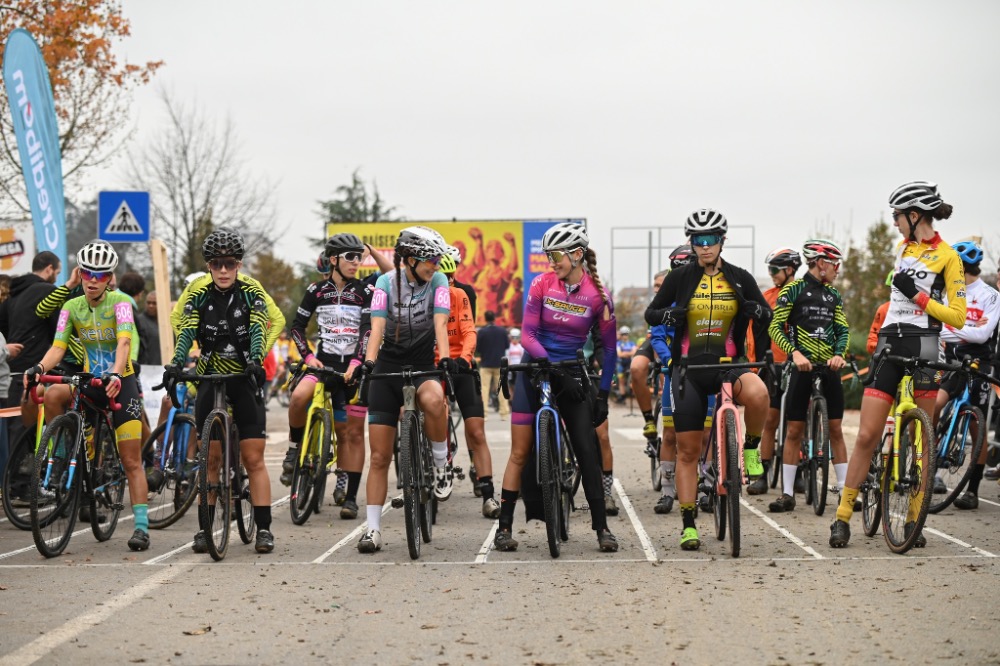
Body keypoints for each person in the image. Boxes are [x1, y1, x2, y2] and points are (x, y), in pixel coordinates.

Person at [830, 181, 965, 548]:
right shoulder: (902, 249)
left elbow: (958, 316)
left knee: (922, 440)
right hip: (890, 343)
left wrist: (918, 295)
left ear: (914, 215)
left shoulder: (949, 257)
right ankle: (842, 516)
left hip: (924, 344)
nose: (893, 223)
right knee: (868, 434)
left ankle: (911, 516)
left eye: (897, 216)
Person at [644, 209, 772, 550]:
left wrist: (758, 316)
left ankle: (751, 449)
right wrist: (670, 314)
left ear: (722, 241)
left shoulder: (740, 277)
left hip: (729, 365)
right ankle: (688, 524)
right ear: (692, 243)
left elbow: (767, 315)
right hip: (689, 370)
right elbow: (651, 313)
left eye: (710, 240)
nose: (704, 247)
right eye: (697, 241)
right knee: (688, 450)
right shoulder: (681, 278)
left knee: (759, 394)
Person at [493, 222, 620, 553]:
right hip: (535, 370)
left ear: (577, 255)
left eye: (557, 256)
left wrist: (603, 395)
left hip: (572, 375)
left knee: (586, 450)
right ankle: (504, 527)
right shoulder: (541, 284)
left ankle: (601, 528)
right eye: (548, 255)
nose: (551, 262)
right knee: (519, 452)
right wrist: (549, 365)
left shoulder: (599, 297)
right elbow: (529, 335)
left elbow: (608, 350)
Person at [165, 228, 285, 555]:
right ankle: (206, 526)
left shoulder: (251, 291)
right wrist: (176, 364)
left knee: (253, 457)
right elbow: (186, 328)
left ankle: (263, 528)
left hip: (244, 376)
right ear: (208, 265)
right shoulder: (197, 292)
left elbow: (262, 325)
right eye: (216, 263)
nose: (222, 270)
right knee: (211, 459)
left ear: (239, 265)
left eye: (229, 264)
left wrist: (256, 359)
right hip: (209, 376)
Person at [25, 241, 151, 551]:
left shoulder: (121, 303)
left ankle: (141, 527)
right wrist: (39, 366)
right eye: (87, 273)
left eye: (101, 274)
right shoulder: (71, 307)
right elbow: (59, 347)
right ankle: (75, 467)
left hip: (121, 382)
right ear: (80, 274)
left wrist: (116, 374)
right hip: (90, 382)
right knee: (62, 407)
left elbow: (124, 343)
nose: (93, 280)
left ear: (110, 278)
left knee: (131, 460)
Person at [356, 226, 453, 553]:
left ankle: (441, 464)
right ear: (410, 260)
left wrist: (447, 359)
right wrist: (368, 364)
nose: (436, 264)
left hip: (423, 364)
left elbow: (440, 323)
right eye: (430, 259)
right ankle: (372, 530)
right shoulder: (385, 283)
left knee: (434, 399)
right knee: (380, 455)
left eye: (439, 258)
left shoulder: (438, 282)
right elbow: (377, 327)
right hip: (388, 367)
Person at [280, 233, 373, 521]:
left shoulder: (365, 292)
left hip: (352, 369)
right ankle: (295, 450)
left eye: (359, 257)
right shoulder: (316, 291)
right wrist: (308, 357)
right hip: (323, 364)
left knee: (350, 433)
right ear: (333, 259)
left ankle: (350, 495)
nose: (356, 263)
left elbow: (368, 330)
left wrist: (357, 362)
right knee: (297, 397)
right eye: (350, 257)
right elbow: (296, 327)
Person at [766, 240, 851, 512]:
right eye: (835, 264)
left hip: (829, 367)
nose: (837, 269)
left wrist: (839, 354)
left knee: (836, 430)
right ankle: (788, 493)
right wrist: (794, 354)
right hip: (801, 367)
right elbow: (775, 327)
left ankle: (845, 493)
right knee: (794, 430)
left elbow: (843, 330)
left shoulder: (833, 295)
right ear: (821, 263)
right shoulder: (793, 290)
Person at [933, 240, 998, 509]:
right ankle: (929, 469)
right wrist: (968, 328)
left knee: (976, 425)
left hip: (980, 365)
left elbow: (983, 334)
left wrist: (953, 329)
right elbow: (936, 327)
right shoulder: (949, 291)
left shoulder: (990, 295)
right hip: (952, 363)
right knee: (933, 406)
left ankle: (971, 490)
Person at [437, 254, 500, 517]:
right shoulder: (419, 299)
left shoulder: (461, 294)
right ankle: (437, 466)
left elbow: (468, 329)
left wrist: (464, 359)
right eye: (443, 279)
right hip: (432, 366)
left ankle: (488, 492)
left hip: (460, 365)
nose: (449, 283)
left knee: (476, 430)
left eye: (452, 278)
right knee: (431, 415)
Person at [747, 247, 801, 495]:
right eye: (769, 269)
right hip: (773, 366)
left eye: (774, 270)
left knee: (795, 423)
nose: (771, 274)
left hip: (799, 364)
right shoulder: (767, 296)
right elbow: (754, 332)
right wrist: (754, 364)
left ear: (790, 270)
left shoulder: (803, 294)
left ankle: (798, 470)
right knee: (769, 421)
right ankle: (761, 472)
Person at [0, 251, 62, 440]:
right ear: (49, 268)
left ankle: (11, 467)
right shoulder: (48, 291)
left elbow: (3, 326)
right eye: (57, 273)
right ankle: (25, 467)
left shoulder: (13, 292)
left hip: (10, 366)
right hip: (34, 367)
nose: (56, 278)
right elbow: (59, 334)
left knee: (10, 426)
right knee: (26, 427)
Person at [631, 267, 674, 442]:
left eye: (659, 285)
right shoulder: (656, 302)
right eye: (654, 286)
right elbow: (656, 340)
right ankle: (649, 419)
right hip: (655, 339)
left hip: (674, 341)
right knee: (636, 368)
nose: (656, 289)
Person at [477, 310, 510, 418]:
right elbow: (506, 346)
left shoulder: (481, 332)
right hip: (500, 364)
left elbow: (478, 348)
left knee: (484, 389)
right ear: (494, 318)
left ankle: (484, 413)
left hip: (485, 364)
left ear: (485, 319)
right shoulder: (502, 331)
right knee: (502, 388)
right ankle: (504, 413)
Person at [137, 289, 162, 366]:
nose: (151, 306)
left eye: (154, 303)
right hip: (147, 368)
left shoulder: (167, 323)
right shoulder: (139, 321)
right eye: (148, 303)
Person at [614, 326, 636, 403]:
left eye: (626, 334)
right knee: (621, 380)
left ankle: (632, 395)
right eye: (623, 334)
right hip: (620, 364)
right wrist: (628, 353)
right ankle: (622, 397)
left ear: (628, 334)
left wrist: (625, 353)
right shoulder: (618, 343)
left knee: (632, 380)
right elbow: (619, 354)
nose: (624, 336)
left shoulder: (632, 343)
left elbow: (634, 352)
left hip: (629, 364)